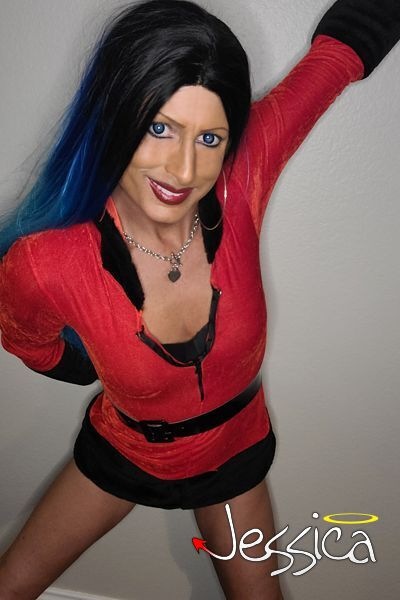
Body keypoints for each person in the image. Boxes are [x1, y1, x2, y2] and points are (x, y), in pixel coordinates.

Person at [0, 0, 399, 598]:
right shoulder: (41, 263)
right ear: (113, 115)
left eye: (209, 137)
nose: (183, 169)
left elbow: (337, 57)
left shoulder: (242, 175)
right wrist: (82, 361)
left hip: (234, 454)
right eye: (160, 127)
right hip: (123, 452)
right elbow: (28, 340)